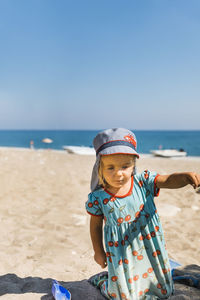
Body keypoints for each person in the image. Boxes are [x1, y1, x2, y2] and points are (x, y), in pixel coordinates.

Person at [85, 128, 200, 300]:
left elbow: (167, 180)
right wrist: (98, 251)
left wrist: (185, 177)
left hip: (150, 245)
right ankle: (103, 281)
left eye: (125, 166)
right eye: (110, 167)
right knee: (123, 295)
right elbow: (95, 226)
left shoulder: (143, 182)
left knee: (161, 289)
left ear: (133, 165)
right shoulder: (98, 198)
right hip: (121, 252)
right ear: (99, 167)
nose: (119, 173)